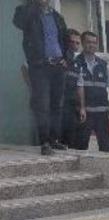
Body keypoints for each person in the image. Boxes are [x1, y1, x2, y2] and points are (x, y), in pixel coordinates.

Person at [13, 0, 71, 155]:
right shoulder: (28, 12)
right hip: (40, 66)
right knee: (42, 105)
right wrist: (33, 5)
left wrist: (67, 59)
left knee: (57, 105)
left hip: (58, 66)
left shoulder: (57, 17)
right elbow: (18, 22)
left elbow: (66, 40)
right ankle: (44, 142)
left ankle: (54, 140)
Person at [75, 31, 109, 152]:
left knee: (105, 147)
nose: (92, 45)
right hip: (84, 113)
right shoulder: (76, 63)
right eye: (88, 42)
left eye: (94, 43)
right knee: (81, 146)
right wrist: (81, 108)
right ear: (82, 43)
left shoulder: (103, 65)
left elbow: (108, 85)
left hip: (102, 112)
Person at [61, 29, 82, 150]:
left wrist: (81, 106)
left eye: (77, 43)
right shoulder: (58, 56)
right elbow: (25, 66)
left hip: (72, 105)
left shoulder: (77, 61)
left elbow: (80, 85)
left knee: (71, 140)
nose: (74, 45)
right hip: (58, 105)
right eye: (71, 42)